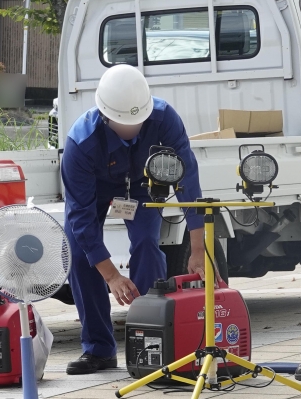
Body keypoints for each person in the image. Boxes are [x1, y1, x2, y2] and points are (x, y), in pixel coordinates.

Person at [61, 64, 207, 375]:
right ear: (105, 115)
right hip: (95, 189)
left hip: (141, 186)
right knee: (78, 253)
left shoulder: (165, 119)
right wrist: (112, 276)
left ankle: (152, 339)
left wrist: (197, 252)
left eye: (139, 120)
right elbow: (82, 220)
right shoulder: (80, 143)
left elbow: (189, 184)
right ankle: (99, 349)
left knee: (146, 243)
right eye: (125, 123)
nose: (134, 128)